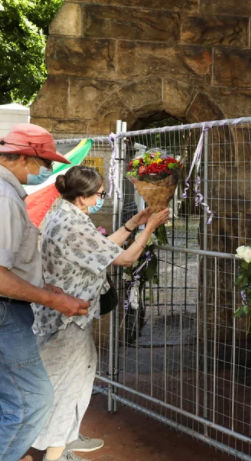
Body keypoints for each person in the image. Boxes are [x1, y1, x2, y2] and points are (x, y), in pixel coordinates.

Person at [0, 123, 90, 461]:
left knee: (8, 405)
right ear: (23, 158)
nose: (46, 172)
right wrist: (54, 299)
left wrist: (41, 288)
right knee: (30, 402)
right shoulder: (0, 196)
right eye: (44, 164)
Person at [30, 166, 170, 461]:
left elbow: (102, 249)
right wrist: (150, 228)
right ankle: (54, 457)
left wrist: (133, 224)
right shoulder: (73, 225)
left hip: (67, 315)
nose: (100, 199)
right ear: (81, 196)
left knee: (78, 376)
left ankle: (63, 446)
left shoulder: (65, 213)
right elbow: (124, 258)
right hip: (66, 319)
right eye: (99, 194)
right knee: (65, 388)